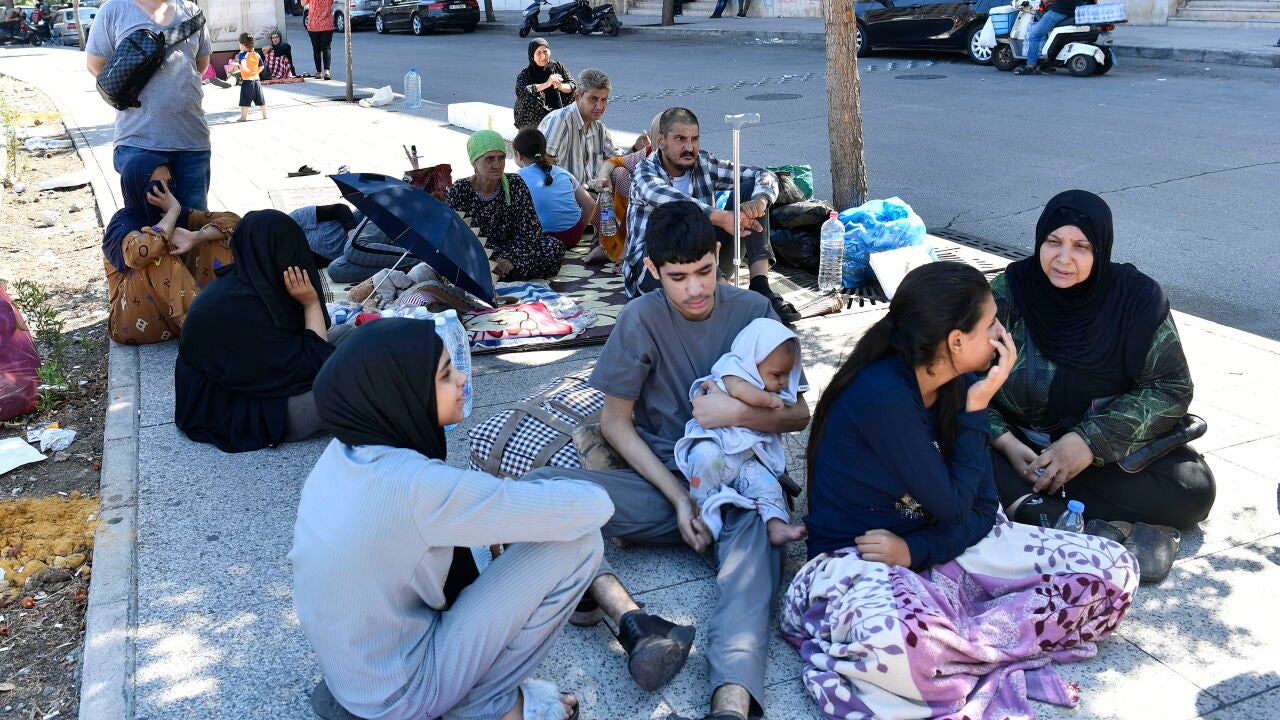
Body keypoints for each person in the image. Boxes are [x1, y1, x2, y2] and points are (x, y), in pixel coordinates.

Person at [786, 261, 1138, 720]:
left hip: (929, 545)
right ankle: (969, 636)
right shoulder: (884, 396)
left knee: (1114, 570)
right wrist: (977, 411)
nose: (999, 334)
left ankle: (969, 639)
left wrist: (915, 552)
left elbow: (982, 506)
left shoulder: (962, 383)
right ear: (956, 341)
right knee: (906, 651)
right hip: (859, 559)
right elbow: (954, 505)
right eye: (990, 324)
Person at [523, 202, 810, 720]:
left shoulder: (754, 313)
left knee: (760, 562)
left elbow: (798, 414)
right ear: (654, 271)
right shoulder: (639, 318)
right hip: (661, 485)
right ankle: (631, 620)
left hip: (735, 483)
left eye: (705, 271)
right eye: (678, 277)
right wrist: (679, 498)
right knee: (536, 492)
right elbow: (615, 423)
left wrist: (734, 414)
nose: (696, 289)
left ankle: (731, 701)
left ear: (718, 257)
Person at [290, 318, 612, 720]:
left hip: (355, 676)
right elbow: (595, 507)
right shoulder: (416, 486)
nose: (462, 379)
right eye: (445, 374)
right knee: (580, 545)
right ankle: (486, 706)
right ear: (402, 394)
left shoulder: (343, 453)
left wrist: (507, 516)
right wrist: (529, 509)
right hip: (401, 694)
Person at [987, 190, 1215, 529]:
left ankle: (1023, 500)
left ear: (1101, 247)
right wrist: (1003, 441)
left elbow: (1170, 387)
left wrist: (1087, 443)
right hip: (1015, 446)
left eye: (1081, 246)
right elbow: (961, 376)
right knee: (939, 434)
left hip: (1100, 454)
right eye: (1054, 242)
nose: (1063, 259)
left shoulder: (1137, 300)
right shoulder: (1011, 291)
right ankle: (1034, 501)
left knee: (1192, 489)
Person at [623, 107, 800, 324]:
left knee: (748, 188)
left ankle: (760, 286)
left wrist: (759, 201)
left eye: (694, 139)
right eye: (680, 139)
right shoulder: (645, 171)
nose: (689, 147)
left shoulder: (704, 163)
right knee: (679, 223)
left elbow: (764, 174)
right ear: (661, 141)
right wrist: (722, 218)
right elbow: (674, 203)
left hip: (709, 262)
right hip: (655, 270)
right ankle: (727, 298)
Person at [175, 210, 333, 453]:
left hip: (252, 384)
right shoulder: (239, 305)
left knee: (351, 337)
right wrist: (310, 303)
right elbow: (313, 367)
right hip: (236, 410)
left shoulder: (250, 279)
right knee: (349, 394)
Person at [673, 317, 810, 547]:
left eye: (788, 374)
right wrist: (768, 399)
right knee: (703, 458)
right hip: (717, 448)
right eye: (777, 375)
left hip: (747, 460)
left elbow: (799, 414)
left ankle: (776, 524)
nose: (784, 382)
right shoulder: (733, 370)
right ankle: (705, 515)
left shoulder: (772, 383)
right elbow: (739, 391)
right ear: (752, 361)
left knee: (767, 485)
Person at [87, 0, 214, 211]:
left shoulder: (191, 12)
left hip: (192, 141)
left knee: (193, 229)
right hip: (139, 142)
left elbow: (200, 64)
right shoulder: (114, 10)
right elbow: (96, 66)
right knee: (149, 235)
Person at [102, 152, 239, 345]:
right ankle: (205, 331)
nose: (166, 192)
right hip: (132, 321)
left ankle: (223, 313)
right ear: (138, 186)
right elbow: (138, 254)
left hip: (175, 317)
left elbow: (235, 221)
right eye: (158, 186)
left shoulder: (181, 214)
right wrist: (172, 212)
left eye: (169, 183)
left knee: (219, 236)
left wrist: (197, 236)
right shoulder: (122, 222)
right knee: (155, 252)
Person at [447, 130, 565, 281]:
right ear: (475, 162)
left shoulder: (515, 183)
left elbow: (531, 229)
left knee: (553, 247)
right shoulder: (460, 190)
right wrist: (487, 261)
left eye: (501, 158)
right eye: (489, 159)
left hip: (514, 251)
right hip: (479, 254)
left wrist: (508, 258)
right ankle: (492, 273)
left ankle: (493, 276)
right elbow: (457, 237)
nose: (497, 165)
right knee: (457, 260)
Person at [538, 68, 619, 265]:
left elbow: (617, 159)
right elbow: (543, 169)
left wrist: (638, 150)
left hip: (588, 198)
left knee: (625, 177)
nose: (600, 106)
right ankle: (609, 242)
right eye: (593, 99)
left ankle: (610, 241)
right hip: (562, 200)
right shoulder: (560, 121)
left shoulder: (599, 128)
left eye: (604, 99)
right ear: (577, 96)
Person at [588, 117, 657, 265]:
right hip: (588, 190)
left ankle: (624, 249)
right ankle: (610, 244)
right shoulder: (650, 152)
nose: (599, 106)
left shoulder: (680, 160)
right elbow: (615, 161)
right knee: (618, 173)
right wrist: (603, 176)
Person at [511, 128, 594, 250]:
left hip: (541, 240)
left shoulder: (517, 178)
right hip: (573, 236)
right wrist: (579, 228)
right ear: (544, 152)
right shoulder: (563, 172)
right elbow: (591, 205)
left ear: (518, 155)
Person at [513, 38, 575, 130]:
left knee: (576, 94)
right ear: (532, 56)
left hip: (557, 109)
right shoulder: (526, 73)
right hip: (535, 116)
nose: (543, 56)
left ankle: (569, 127)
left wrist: (561, 86)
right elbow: (520, 91)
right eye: (538, 53)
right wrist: (547, 84)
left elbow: (573, 84)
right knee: (528, 95)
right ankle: (529, 132)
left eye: (545, 51)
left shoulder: (557, 67)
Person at [1015, 0, 1087, 74]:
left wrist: (1041, 2)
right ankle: (1047, 63)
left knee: (1034, 35)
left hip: (1059, 11)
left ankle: (1030, 66)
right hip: (1073, 12)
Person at [289, 203, 358, 268]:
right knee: (334, 270)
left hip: (356, 227)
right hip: (353, 254)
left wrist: (352, 234)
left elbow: (341, 209)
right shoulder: (290, 257)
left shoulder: (294, 219)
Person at [229, 32, 267, 122]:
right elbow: (262, 66)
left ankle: (243, 117)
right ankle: (265, 115)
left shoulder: (242, 54)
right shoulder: (257, 54)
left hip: (247, 81)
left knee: (245, 99)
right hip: (256, 80)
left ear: (243, 45)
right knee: (261, 99)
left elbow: (243, 62)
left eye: (239, 44)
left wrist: (245, 68)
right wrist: (256, 72)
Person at [301, 0, 334, 80]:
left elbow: (303, 3)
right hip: (327, 24)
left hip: (313, 24)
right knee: (326, 48)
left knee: (316, 49)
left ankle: (319, 72)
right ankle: (327, 72)